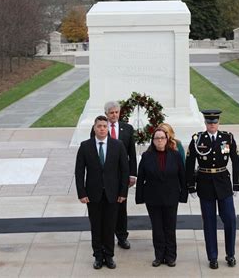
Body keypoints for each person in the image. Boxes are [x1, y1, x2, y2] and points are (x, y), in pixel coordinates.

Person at [185, 109, 239, 270]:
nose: (212, 125)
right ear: (206, 124)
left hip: (223, 182)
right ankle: (213, 257)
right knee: (209, 223)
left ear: (218, 123)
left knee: (230, 219)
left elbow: (235, 161)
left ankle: (230, 254)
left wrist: (236, 184)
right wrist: (191, 186)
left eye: (215, 122)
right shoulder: (197, 139)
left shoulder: (227, 138)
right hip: (205, 183)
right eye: (209, 123)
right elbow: (190, 163)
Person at [76, 115, 129, 269]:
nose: (102, 129)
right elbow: (79, 172)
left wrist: (123, 192)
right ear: (94, 128)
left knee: (110, 226)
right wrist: (82, 193)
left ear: (108, 128)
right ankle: (98, 256)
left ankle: (109, 256)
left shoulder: (117, 145)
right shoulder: (85, 146)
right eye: (99, 126)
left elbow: (124, 171)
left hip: (113, 194)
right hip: (93, 195)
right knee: (96, 227)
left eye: (104, 126)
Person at [135, 127, 187, 267]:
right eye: (157, 138)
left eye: (162, 138)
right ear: (153, 141)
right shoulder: (146, 156)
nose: (159, 141)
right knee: (157, 229)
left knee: (170, 228)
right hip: (153, 198)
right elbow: (141, 178)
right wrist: (139, 197)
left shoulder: (175, 155)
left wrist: (183, 195)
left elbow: (182, 176)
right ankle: (159, 256)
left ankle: (170, 257)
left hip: (171, 197)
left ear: (167, 139)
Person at [90, 101, 137, 249]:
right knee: (106, 207)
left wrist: (133, 174)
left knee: (121, 207)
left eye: (117, 112)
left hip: (122, 176)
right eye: (111, 113)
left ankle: (122, 236)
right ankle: (105, 237)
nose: (114, 115)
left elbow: (132, 154)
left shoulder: (127, 129)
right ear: (106, 114)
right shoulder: (100, 129)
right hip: (105, 177)